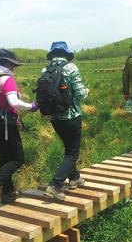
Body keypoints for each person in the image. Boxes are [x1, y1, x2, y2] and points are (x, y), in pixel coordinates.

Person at [0, 49, 38, 205]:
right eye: (13, 65)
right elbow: (14, 102)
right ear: (6, 63)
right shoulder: (6, 78)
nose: (14, 68)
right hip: (4, 126)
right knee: (17, 158)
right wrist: (31, 106)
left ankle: (8, 194)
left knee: (6, 157)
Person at [42, 42, 89, 201]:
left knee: (68, 148)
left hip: (54, 118)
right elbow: (81, 95)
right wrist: (87, 91)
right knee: (73, 152)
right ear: (65, 53)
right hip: (72, 116)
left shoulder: (45, 70)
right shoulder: (71, 68)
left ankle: (75, 177)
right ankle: (55, 185)